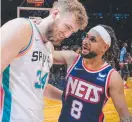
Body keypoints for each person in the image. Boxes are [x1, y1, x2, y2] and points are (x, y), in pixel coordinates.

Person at [0, 0, 88, 121]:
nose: (67, 35)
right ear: (55, 13)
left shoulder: (48, 48)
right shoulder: (22, 29)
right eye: (67, 27)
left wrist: (69, 97)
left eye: (71, 31)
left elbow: (43, 88)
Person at [53, 25, 132, 122]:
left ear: (104, 47)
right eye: (86, 36)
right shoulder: (72, 58)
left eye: (92, 39)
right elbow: (45, 53)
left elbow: (125, 116)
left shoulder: (112, 77)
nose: (85, 41)